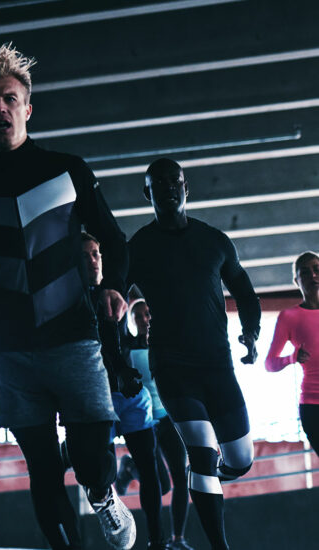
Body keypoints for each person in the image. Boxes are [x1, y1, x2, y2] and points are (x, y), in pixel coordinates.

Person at [0, 44, 136, 550]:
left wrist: (112, 285)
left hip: (74, 337)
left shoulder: (69, 171)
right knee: (42, 468)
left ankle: (102, 494)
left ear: (27, 108)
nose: (0, 108)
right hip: (11, 348)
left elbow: (114, 239)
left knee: (90, 460)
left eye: (10, 99)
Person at [127, 158, 261, 550]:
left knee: (240, 461)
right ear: (148, 193)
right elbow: (113, 300)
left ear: (186, 188)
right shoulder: (139, 247)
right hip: (172, 367)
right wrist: (117, 359)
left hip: (217, 366)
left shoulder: (214, 241)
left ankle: (205, 477)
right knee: (201, 456)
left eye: (176, 181)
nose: (169, 188)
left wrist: (251, 333)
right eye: (159, 183)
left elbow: (244, 290)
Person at [81, 233, 167, 550]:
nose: (92, 260)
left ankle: (158, 541)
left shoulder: (116, 290)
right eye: (85, 255)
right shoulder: (70, 298)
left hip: (130, 398)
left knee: (151, 470)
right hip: (94, 399)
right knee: (97, 471)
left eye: (96, 253)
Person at [118, 299, 194, 550]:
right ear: (132, 321)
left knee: (181, 477)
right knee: (161, 487)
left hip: (168, 418)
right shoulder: (126, 347)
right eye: (138, 316)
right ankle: (130, 467)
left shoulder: (167, 344)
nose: (144, 319)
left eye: (148, 314)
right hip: (143, 421)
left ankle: (178, 539)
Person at [265, 251, 319, 457]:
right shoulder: (289, 317)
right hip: (313, 407)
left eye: (317, 270)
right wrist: (292, 358)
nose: (313, 275)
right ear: (296, 280)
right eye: (305, 272)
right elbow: (270, 363)